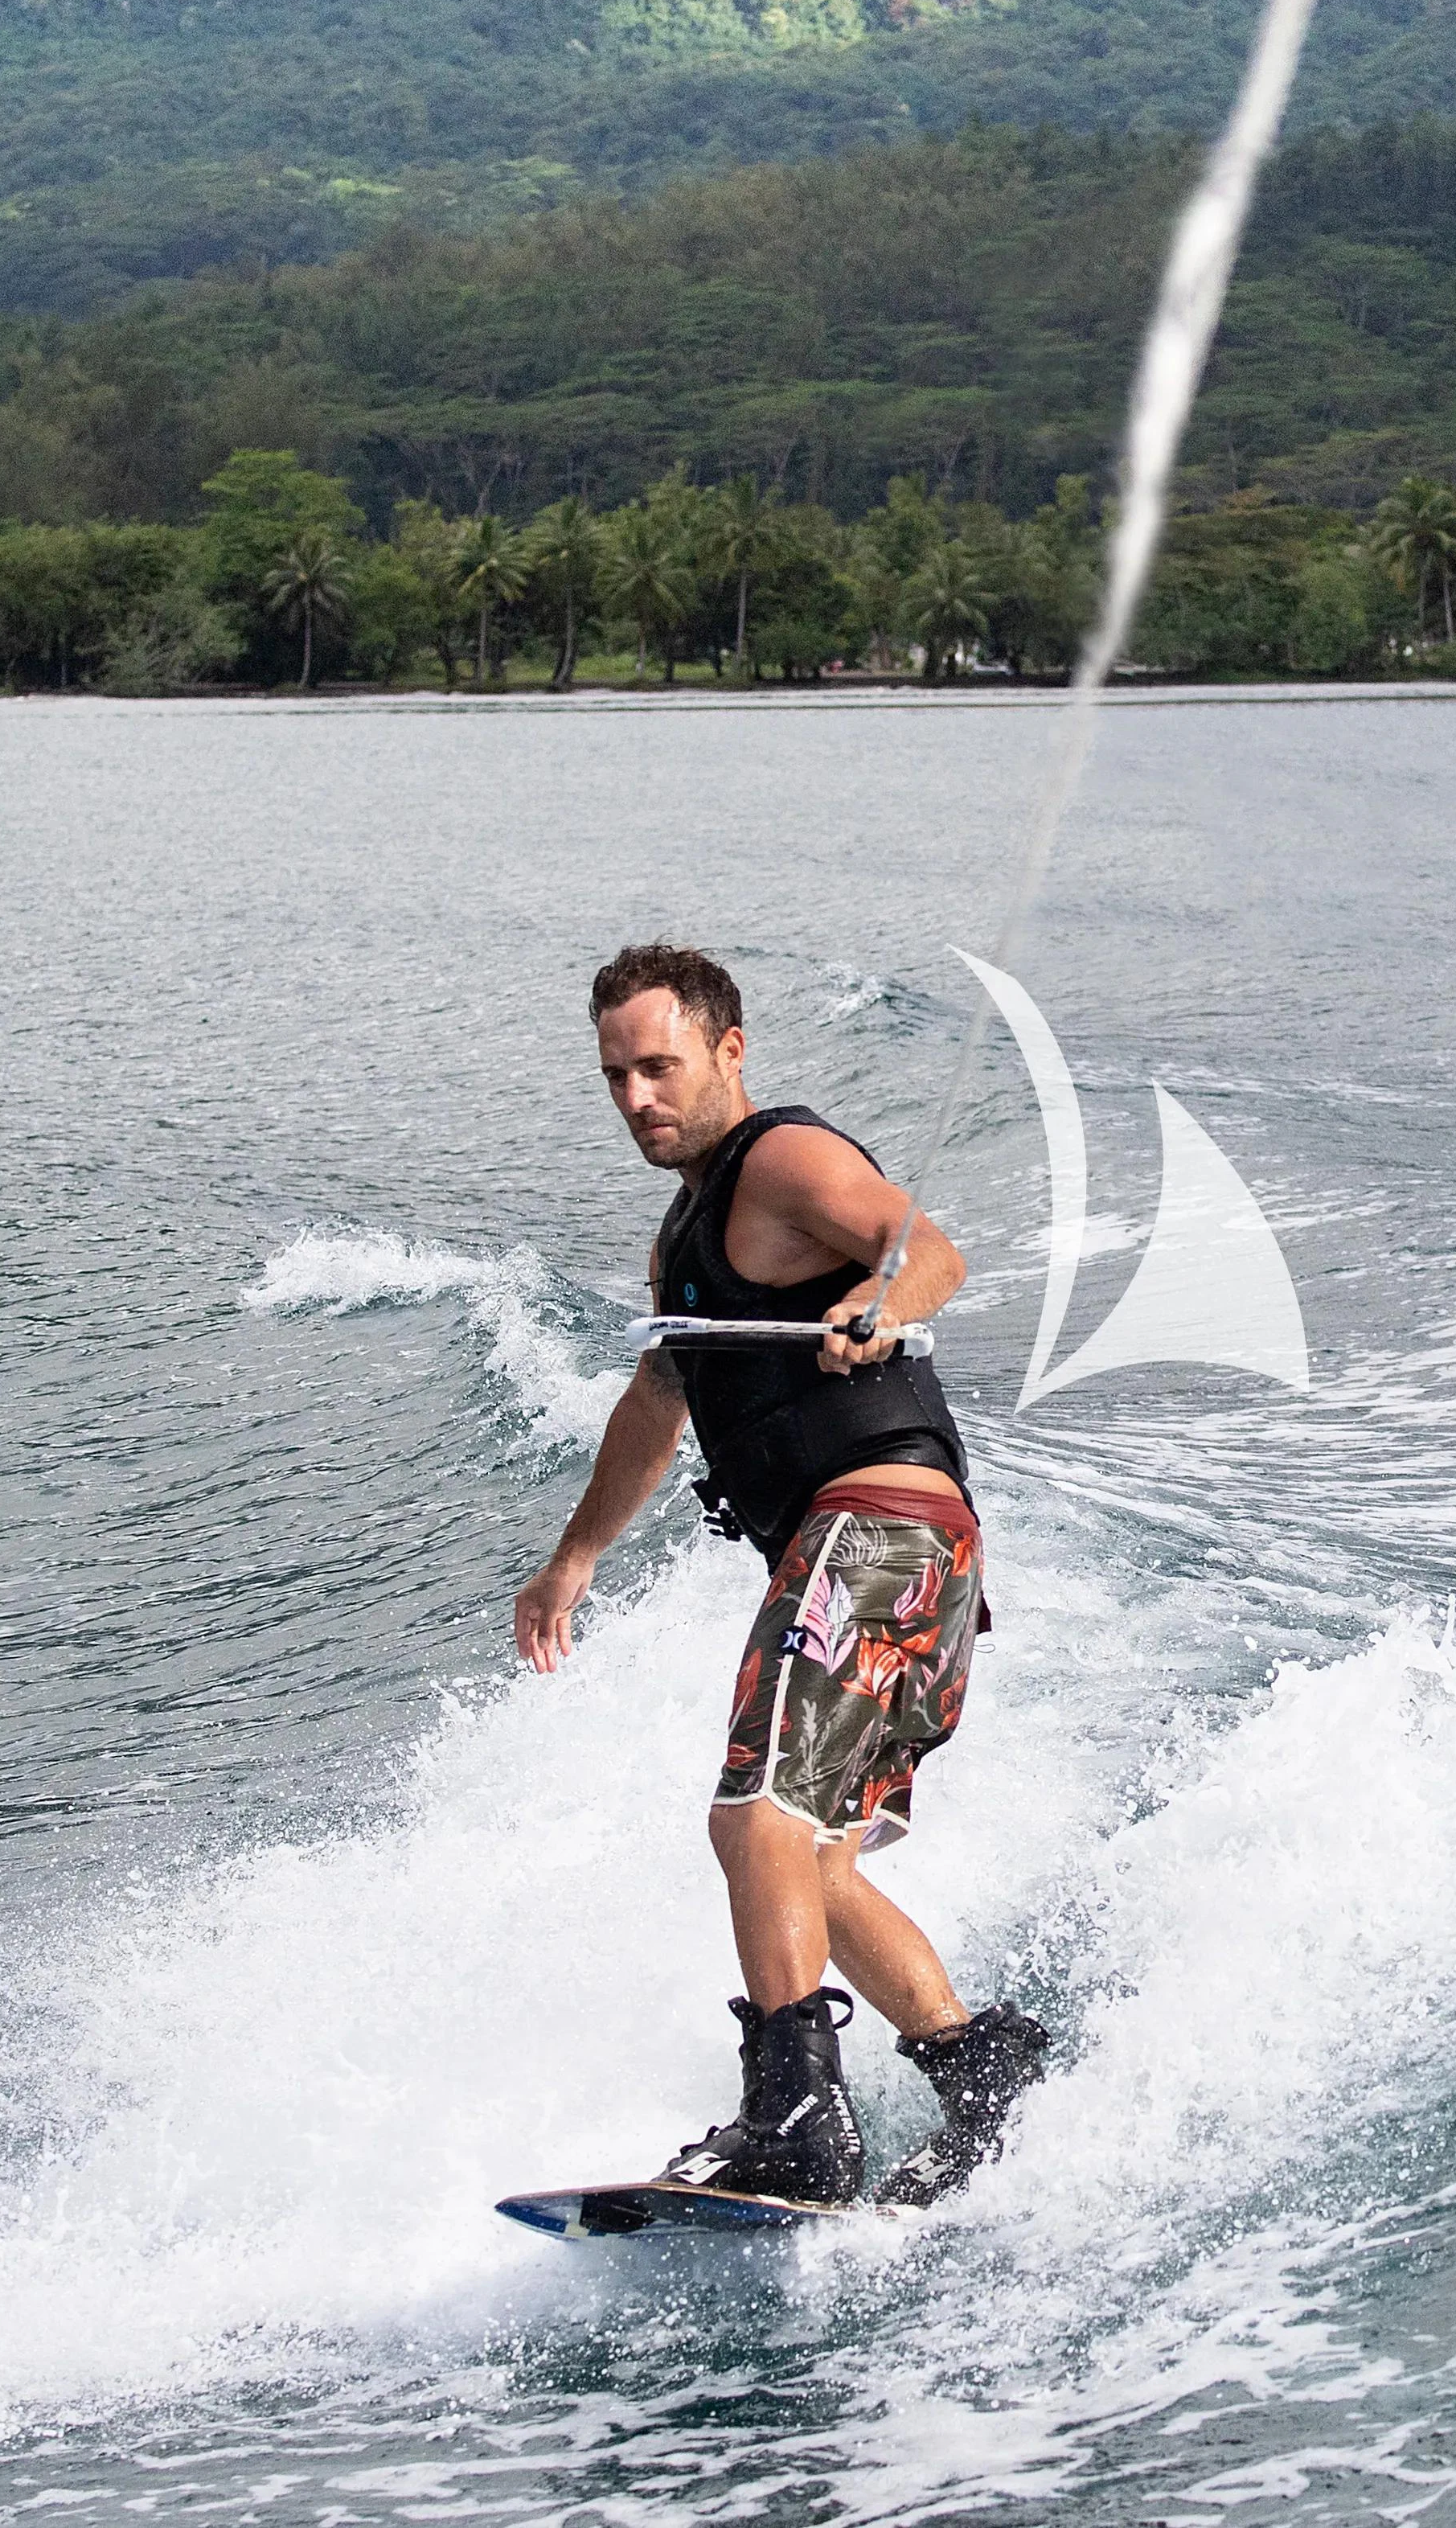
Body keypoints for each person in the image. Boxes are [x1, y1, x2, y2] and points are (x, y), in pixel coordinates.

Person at [514, 943, 1051, 2207]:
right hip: (887, 1558)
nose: (639, 1095)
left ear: (728, 1051)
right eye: (615, 1076)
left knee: (753, 1812)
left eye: (661, 1064)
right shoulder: (684, 1238)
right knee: (806, 1865)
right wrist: (574, 1556)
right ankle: (983, 2071)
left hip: (880, 1529)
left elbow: (929, 1250)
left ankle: (799, 2118)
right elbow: (661, 1392)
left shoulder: (780, 1158)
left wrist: (880, 1293)